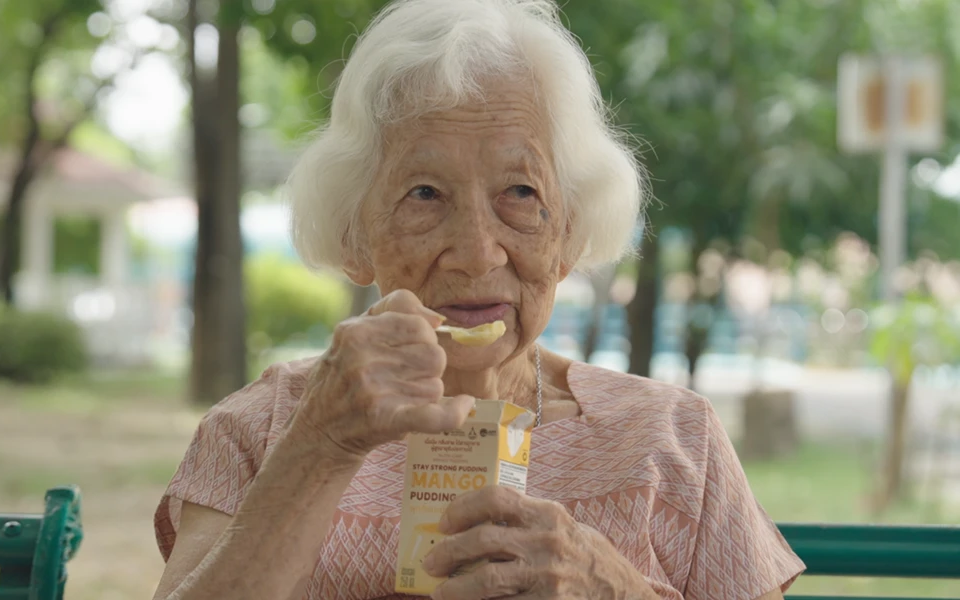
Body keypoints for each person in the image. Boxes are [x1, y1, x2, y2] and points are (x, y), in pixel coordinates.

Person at [152, 1, 805, 598]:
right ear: (355, 235)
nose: (476, 252)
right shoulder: (262, 430)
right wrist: (320, 444)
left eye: (520, 193)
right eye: (425, 194)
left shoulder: (673, 441)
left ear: (569, 234)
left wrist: (614, 588)